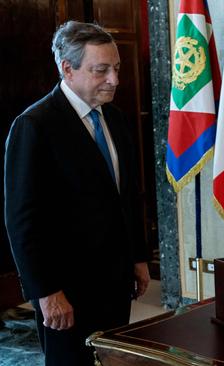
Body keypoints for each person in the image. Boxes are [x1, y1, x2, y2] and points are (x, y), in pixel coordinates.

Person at [4, 21, 150, 365]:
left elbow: (127, 197)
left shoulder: (114, 118)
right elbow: (22, 221)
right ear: (67, 69)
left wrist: (138, 257)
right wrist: (46, 292)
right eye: (101, 70)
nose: (114, 79)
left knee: (111, 360)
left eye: (116, 68)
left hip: (115, 281)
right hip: (66, 289)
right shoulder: (35, 126)